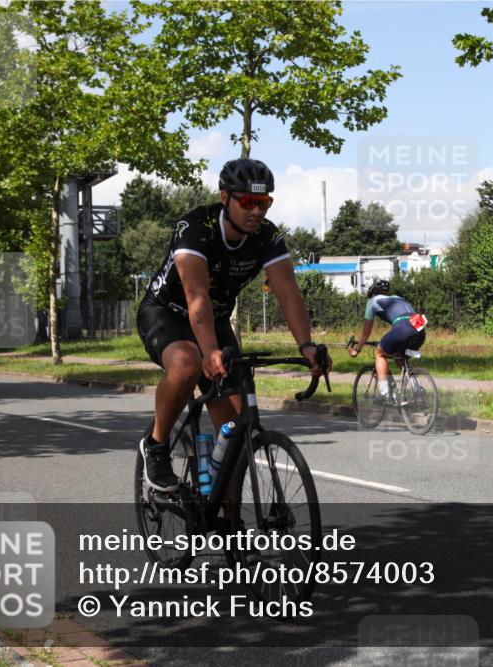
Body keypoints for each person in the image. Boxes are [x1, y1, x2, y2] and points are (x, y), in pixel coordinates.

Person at [136, 158, 331, 492]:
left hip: (216, 320)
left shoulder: (267, 237)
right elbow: (196, 295)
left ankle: (228, 524)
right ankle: (156, 444)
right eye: (248, 202)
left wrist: (307, 346)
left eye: (265, 202)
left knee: (237, 433)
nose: (257, 211)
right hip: (167, 313)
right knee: (187, 363)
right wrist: (209, 350)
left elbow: (288, 292)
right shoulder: (197, 228)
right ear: (225, 197)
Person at [348, 279, 426, 401]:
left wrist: (357, 349)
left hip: (403, 326)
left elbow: (366, 332)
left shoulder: (372, 301)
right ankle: (417, 390)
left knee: (380, 353)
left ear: (372, 293)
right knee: (399, 355)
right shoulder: (399, 298)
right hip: (419, 325)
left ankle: (385, 393)